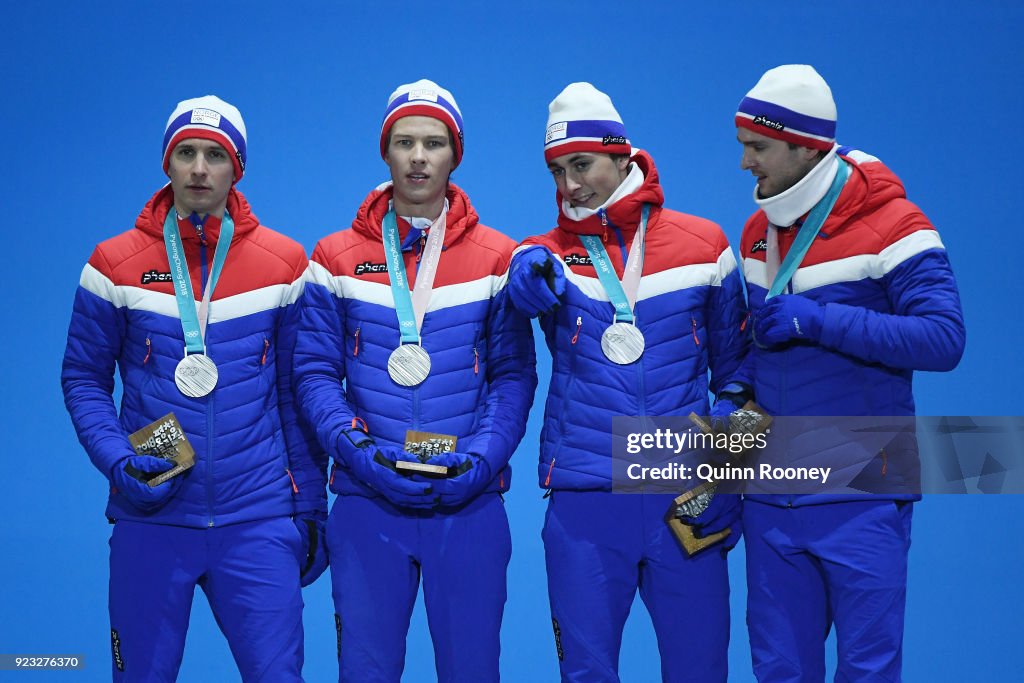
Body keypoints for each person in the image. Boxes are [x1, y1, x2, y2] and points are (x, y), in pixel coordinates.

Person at [60, 96, 328, 681]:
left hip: (257, 521)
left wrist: (309, 507)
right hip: (152, 518)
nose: (199, 169)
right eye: (186, 153)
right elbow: (83, 379)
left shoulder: (284, 264)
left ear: (237, 169)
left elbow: (294, 394)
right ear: (167, 163)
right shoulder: (114, 264)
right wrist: (117, 460)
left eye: (215, 155)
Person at [293, 79, 537, 683]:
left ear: (456, 155)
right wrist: (360, 456)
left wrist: (480, 461)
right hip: (366, 502)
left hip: (470, 503)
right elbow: (315, 374)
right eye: (405, 142)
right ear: (386, 152)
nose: (419, 157)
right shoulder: (334, 257)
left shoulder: (498, 257)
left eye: (434, 143)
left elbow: (513, 377)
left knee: (472, 671)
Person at [507, 82, 749, 683]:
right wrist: (525, 277)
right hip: (586, 503)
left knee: (700, 671)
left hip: (683, 500)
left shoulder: (705, 246)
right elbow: (519, 285)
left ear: (623, 157)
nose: (569, 186)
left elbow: (742, 379)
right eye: (558, 171)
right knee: (586, 674)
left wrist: (730, 478)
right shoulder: (545, 253)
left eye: (581, 165)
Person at [733, 65, 966, 682]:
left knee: (866, 672)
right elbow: (761, 361)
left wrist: (820, 321)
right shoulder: (759, 233)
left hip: (863, 491)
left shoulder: (898, 225)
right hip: (773, 495)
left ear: (804, 144)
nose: (745, 163)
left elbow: (943, 340)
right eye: (743, 147)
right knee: (779, 670)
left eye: (757, 148)